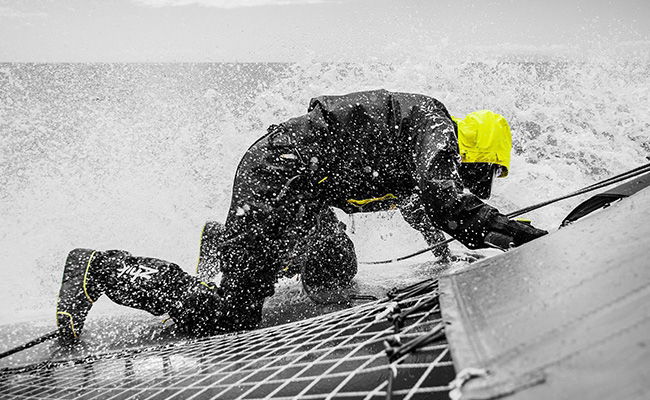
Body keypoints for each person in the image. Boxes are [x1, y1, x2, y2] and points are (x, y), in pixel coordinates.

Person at [55, 89, 547, 343]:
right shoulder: (438, 128)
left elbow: (425, 207)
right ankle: (101, 267)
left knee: (334, 272)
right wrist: (523, 237)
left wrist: (444, 255)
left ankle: (228, 243)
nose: (481, 188)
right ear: (470, 150)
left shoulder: (419, 146)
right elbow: (445, 197)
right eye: (483, 175)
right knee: (231, 316)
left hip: (306, 192)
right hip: (277, 175)